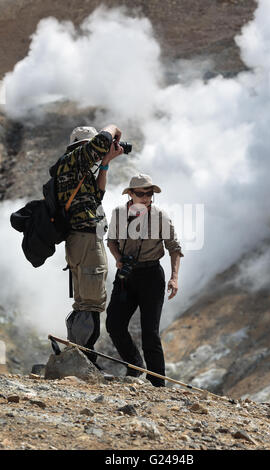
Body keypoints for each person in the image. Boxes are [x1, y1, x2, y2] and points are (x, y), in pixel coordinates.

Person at [55, 124, 123, 368]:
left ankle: (77, 354)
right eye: (91, 148)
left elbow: (98, 196)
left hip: (81, 239)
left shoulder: (74, 169)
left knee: (84, 300)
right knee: (91, 300)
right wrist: (114, 129)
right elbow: (103, 140)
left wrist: (105, 165)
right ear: (82, 146)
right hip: (85, 239)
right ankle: (85, 358)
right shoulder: (74, 160)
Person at [106, 173, 184, 386]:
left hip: (152, 276)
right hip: (126, 275)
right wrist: (118, 259)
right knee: (114, 323)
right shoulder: (118, 214)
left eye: (149, 193)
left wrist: (174, 278)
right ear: (130, 194)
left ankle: (157, 382)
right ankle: (134, 363)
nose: (146, 197)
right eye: (141, 193)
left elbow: (174, 248)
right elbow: (111, 241)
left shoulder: (161, 216)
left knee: (150, 332)